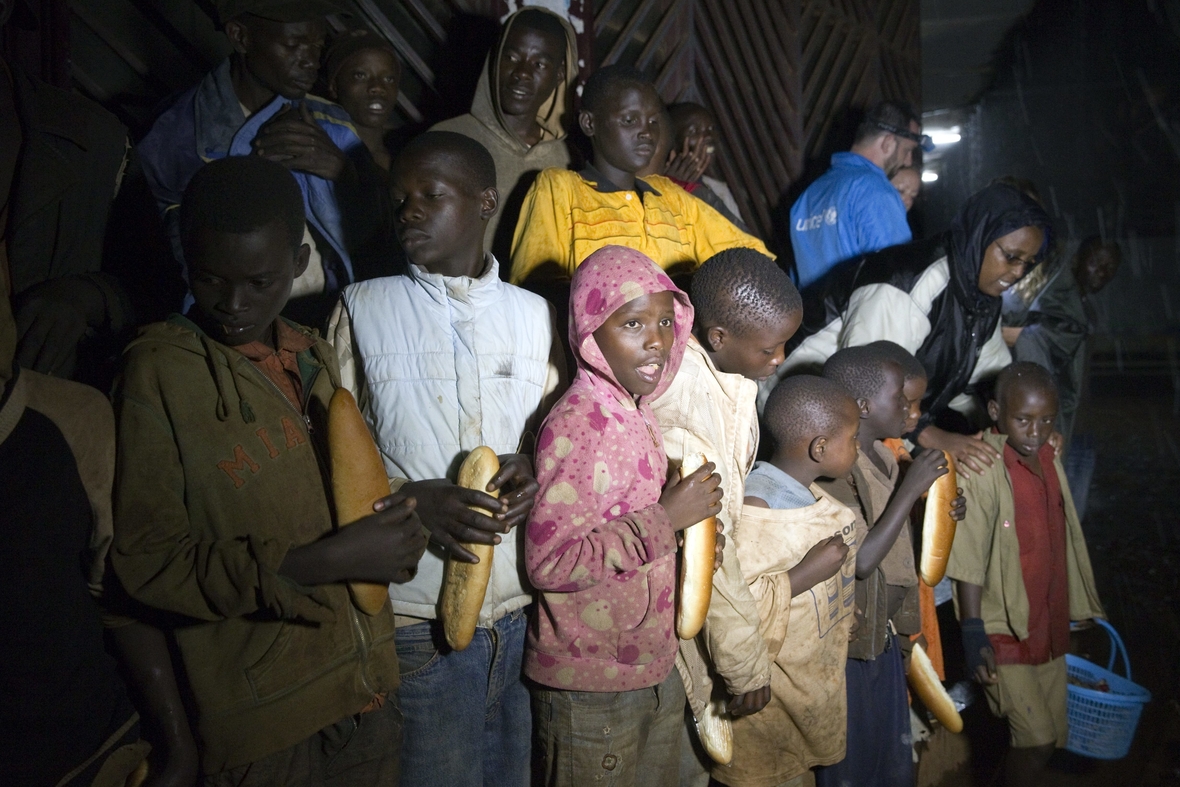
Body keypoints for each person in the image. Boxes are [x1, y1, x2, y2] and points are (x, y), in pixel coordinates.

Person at [110, 156, 426, 783]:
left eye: (259, 282)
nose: (232, 304)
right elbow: (145, 562)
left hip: (367, 702)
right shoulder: (157, 372)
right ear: (184, 259)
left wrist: (401, 520)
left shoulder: (313, 353)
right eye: (209, 278)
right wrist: (322, 562)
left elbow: (344, 496)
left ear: (300, 262)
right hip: (265, 730)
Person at [328, 131, 562, 787]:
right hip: (414, 621)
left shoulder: (535, 316)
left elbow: (552, 439)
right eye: (400, 199)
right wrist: (411, 498)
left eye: (430, 195)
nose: (408, 212)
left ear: (486, 201)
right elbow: (333, 459)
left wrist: (533, 468)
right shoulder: (363, 309)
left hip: (517, 615)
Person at [526, 245, 723, 787]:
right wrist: (666, 519)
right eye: (633, 323)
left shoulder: (639, 414)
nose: (657, 339)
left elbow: (636, 529)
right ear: (590, 334)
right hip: (590, 681)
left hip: (649, 664)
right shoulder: (579, 424)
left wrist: (686, 541)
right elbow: (550, 563)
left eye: (665, 321)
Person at [772, 182, 1053, 477]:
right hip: (797, 414)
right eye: (1011, 257)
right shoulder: (909, 285)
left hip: (876, 421)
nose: (1019, 273)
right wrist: (934, 437)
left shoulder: (981, 299)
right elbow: (866, 394)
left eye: (1028, 263)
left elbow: (992, 379)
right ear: (979, 238)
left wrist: (1026, 420)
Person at [647, 249, 802, 785]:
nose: (780, 357)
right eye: (770, 348)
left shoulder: (728, 372)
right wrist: (745, 664)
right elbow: (710, 548)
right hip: (669, 624)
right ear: (718, 337)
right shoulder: (688, 404)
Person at [137, 0, 377, 325]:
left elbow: (382, 233)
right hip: (236, 325)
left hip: (335, 316)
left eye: (318, 46)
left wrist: (343, 172)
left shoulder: (331, 123)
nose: (310, 62)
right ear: (241, 37)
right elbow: (167, 265)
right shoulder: (178, 134)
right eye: (293, 45)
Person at [813, 344, 964, 787]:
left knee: (891, 769)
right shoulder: (835, 472)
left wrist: (933, 513)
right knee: (852, 769)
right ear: (862, 406)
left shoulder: (885, 458)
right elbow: (860, 560)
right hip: (851, 646)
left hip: (887, 637)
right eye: (899, 398)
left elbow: (894, 542)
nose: (909, 409)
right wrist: (910, 489)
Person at [946, 362, 1104, 787]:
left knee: (1049, 739)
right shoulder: (981, 470)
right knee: (1034, 741)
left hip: (1046, 624)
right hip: (1002, 629)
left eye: (1046, 420)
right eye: (1023, 420)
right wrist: (974, 630)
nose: (1035, 431)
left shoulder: (1049, 455)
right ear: (995, 411)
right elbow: (968, 554)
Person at [715, 375, 859, 787]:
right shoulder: (759, 504)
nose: (858, 448)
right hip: (764, 698)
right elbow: (732, 606)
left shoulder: (803, 491)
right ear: (820, 447)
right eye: (854, 438)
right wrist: (805, 576)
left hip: (802, 691)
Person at [509, 65, 769, 286]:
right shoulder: (559, 189)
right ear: (589, 123)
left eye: (653, 121)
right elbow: (536, 288)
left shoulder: (673, 199)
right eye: (630, 120)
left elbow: (752, 259)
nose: (647, 132)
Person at [432, 7, 578, 266]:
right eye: (511, 57)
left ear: (559, 76)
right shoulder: (447, 140)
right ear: (495, 60)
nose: (522, 72)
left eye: (539, 64)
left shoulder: (569, 158)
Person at [789, 101, 930, 290]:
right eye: (907, 150)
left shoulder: (808, 196)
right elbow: (897, 279)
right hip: (858, 318)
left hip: (811, 317)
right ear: (888, 143)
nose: (908, 160)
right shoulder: (875, 191)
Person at [1003, 235, 1121, 446]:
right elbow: (1022, 338)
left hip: (1081, 424)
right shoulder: (1055, 302)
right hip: (1057, 428)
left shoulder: (1085, 311)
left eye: (1110, 267)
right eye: (1095, 263)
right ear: (1077, 260)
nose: (1102, 272)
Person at [324, 29, 403, 280]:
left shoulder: (408, 156)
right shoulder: (322, 153)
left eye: (388, 79)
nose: (377, 88)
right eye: (361, 75)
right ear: (334, 86)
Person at [664, 102, 751, 232]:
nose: (708, 137)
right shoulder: (651, 190)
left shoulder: (718, 190)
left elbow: (743, 240)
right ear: (671, 142)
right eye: (694, 131)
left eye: (711, 129)